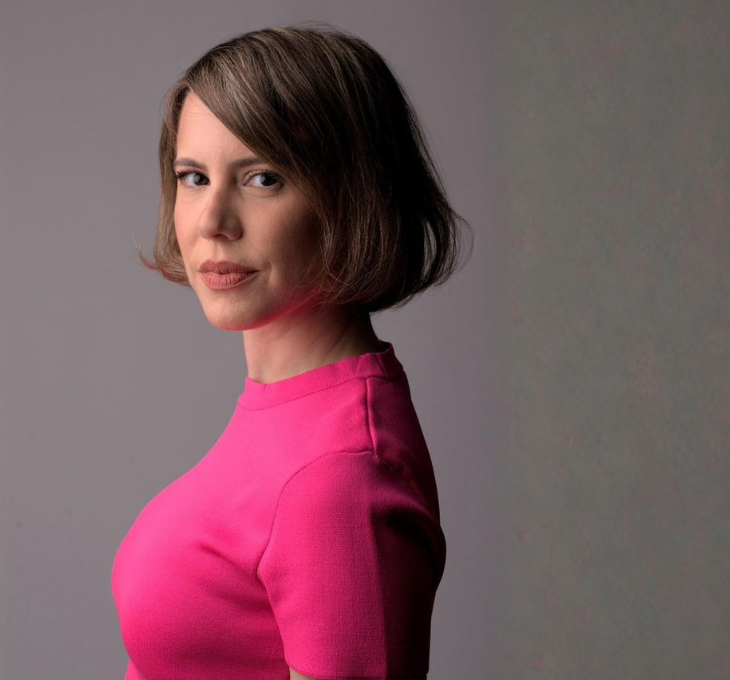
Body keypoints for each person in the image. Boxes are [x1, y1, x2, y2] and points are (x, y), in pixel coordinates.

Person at [112, 22, 472, 680]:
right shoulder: (295, 414)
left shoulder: (338, 479)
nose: (212, 221)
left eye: (263, 178)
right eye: (194, 177)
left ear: (353, 197)